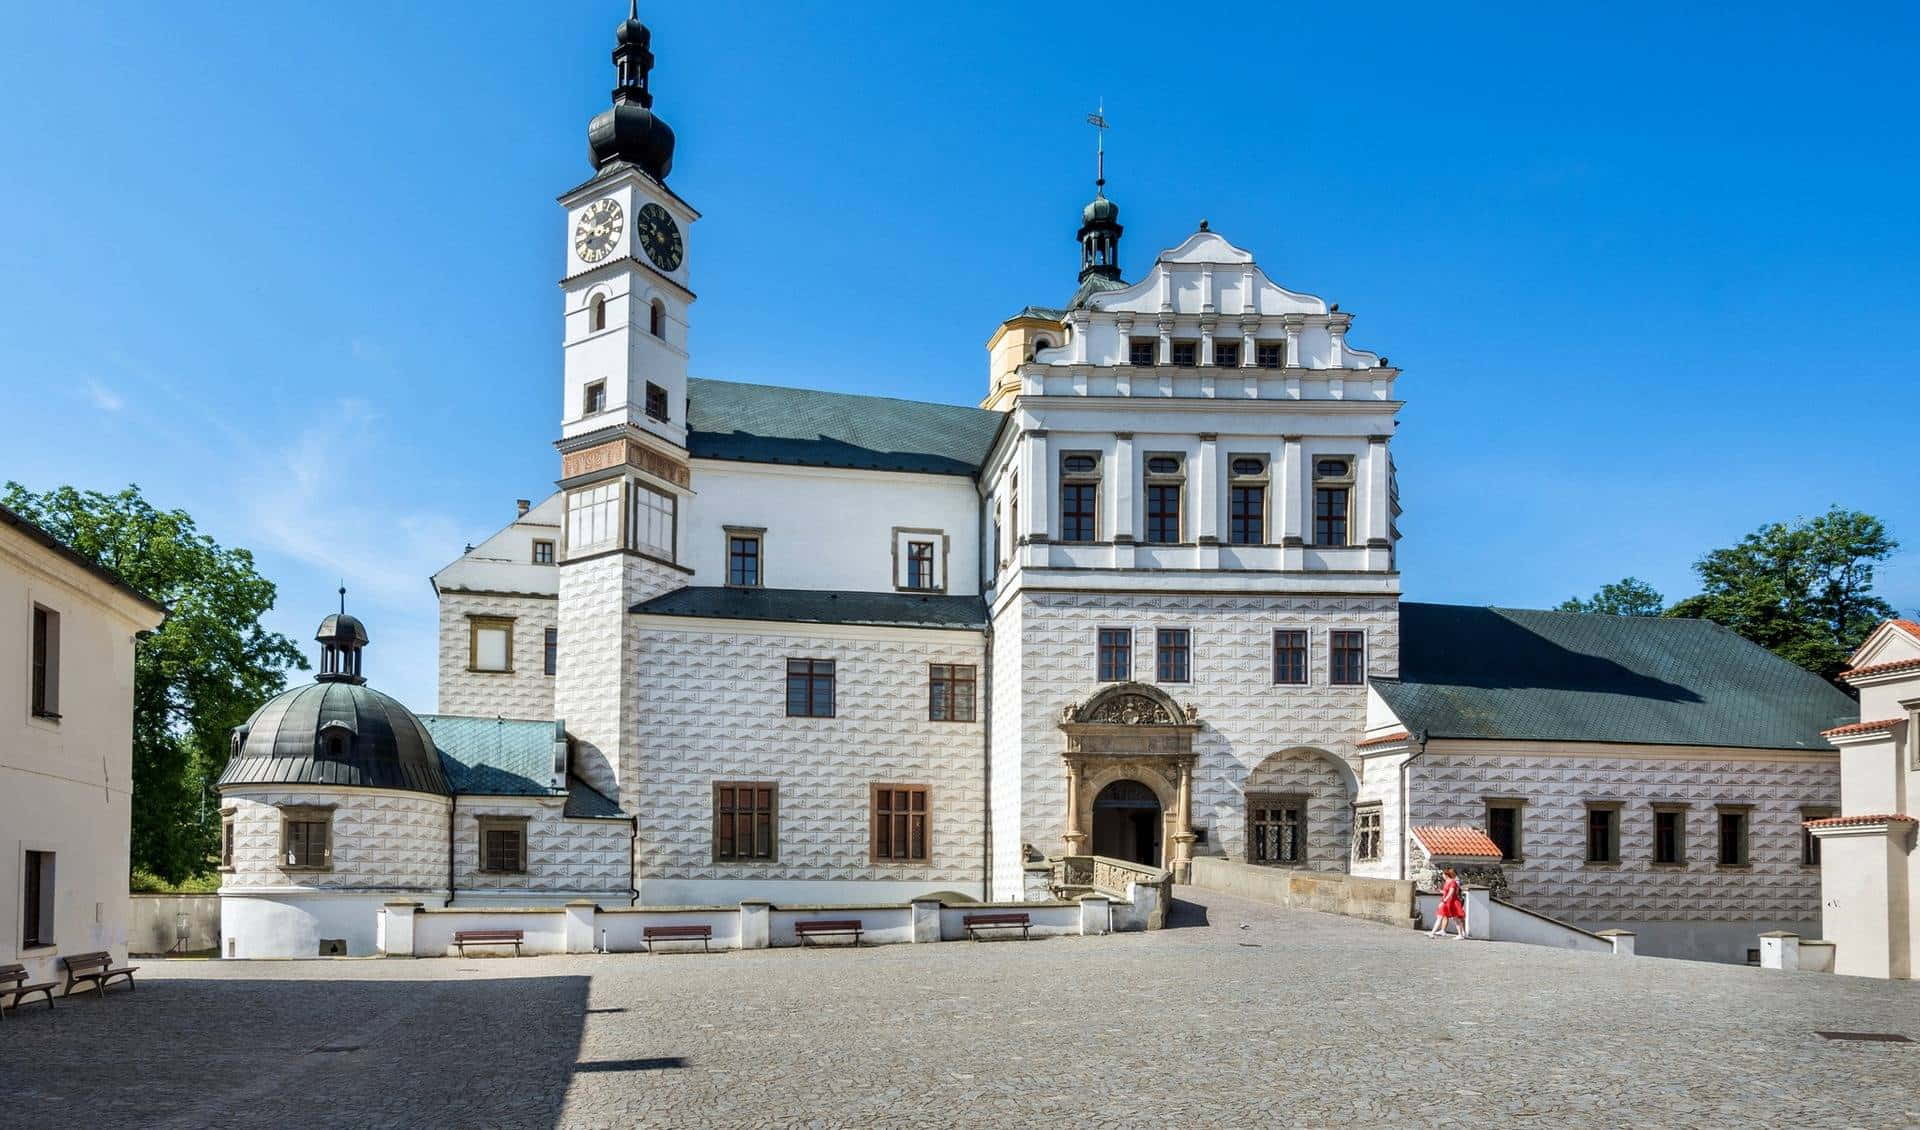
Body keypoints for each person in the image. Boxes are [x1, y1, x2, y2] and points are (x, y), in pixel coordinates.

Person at [1429, 867, 1467, 939]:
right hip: (1448, 902)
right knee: (1441, 917)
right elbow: (1446, 892)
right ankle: (1432, 933)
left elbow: (1451, 893)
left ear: (1446, 875)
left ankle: (1461, 934)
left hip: (1452, 902)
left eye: (1443, 874)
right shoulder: (1447, 882)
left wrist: (1444, 901)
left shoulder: (1452, 882)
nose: (1442, 875)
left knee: (1456, 919)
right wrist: (1439, 891)